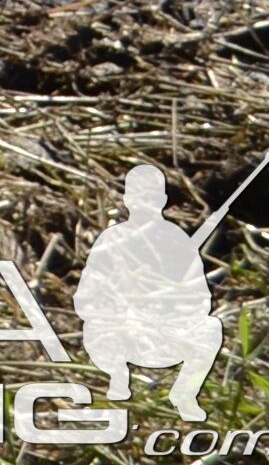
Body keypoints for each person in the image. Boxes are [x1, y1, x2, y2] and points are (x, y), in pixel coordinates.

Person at [76, 164, 224, 418]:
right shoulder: (112, 239)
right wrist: (122, 307)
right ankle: (118, 384)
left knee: (211, 328)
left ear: (163, 200)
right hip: (121, 333)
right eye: (138, 196)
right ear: (127, 199)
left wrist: (172, 301)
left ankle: (184, 394)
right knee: (95, 329)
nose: (145, 203)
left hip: (166, 333)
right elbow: (85, 298)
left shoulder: (177, 240)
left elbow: (202, 299)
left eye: (152, 197)